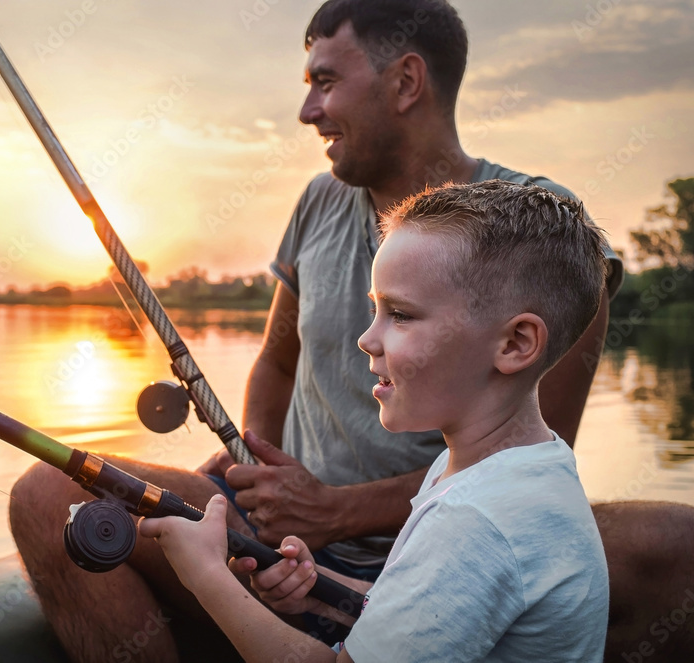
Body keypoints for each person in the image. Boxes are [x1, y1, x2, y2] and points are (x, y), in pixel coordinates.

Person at [9, 1, 694, 660]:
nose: (308, 111)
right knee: (49, 491)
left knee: (677, 540)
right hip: (299, 535)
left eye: (326, 83)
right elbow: (277, 365)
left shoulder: (542, 235)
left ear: (405, 82)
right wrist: (259, 482)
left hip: (404, 534)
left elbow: (538, 443)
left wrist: (333, 512)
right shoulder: (317, 200)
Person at [141, 179, 612, 662]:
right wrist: (320, 586)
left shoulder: (476, 520)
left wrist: (206, 576)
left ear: (515, 344)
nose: (368, 339)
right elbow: (426, 607)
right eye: (375, 309)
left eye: (401, 315)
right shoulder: (515, 467)